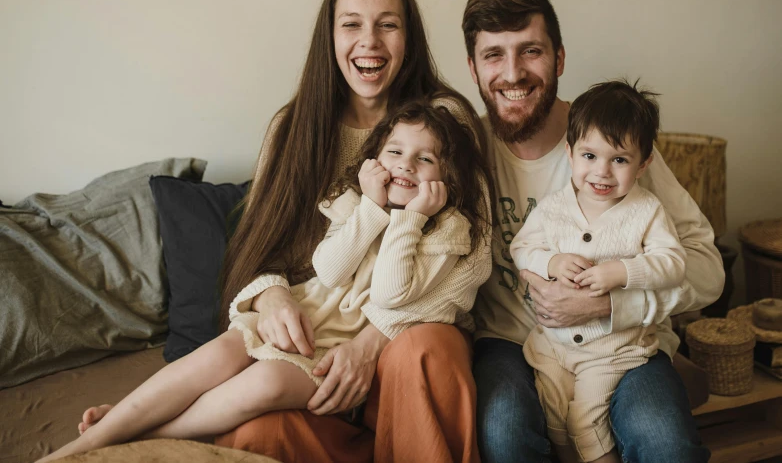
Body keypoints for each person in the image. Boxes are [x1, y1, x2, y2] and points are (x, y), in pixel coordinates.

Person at [73, 0, 493, 463]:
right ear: (330, 37)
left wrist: (372, 341)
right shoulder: (295, 128)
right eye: (352, 24)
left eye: (388, 24)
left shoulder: (446, 120)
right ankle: (118, 437)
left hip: (406, 334)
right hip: (313, 331)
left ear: (409, 36)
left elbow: (471, 261)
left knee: (423, 351)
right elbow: (259, 244)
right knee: (254, 423)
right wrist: (270, 297)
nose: (370, 41)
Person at [39, 101, 490, 463]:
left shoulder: (444, 230)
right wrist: (371, 210)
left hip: (335, 354)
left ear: (445, 178)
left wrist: (409, 219)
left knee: (266, 385)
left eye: (424, 158)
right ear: (375, 158)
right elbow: (330, 269)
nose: (405, 165)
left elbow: (393, 293)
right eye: (395, 151)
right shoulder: (356, 204)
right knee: (214, 355)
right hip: (305, 321)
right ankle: (91, 439)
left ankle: (137, 435)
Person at [462, 0, 724, 462]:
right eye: (493, 55)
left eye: (531, 51)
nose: (513, 72)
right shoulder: (464, 150)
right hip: (510, 345)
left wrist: (611, 306)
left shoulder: (614, 148)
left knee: (666, 444)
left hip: (623, 346)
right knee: (503, 432)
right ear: (474, 69)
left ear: (559, 59)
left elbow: (707, 271)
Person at [511, 80, 686, 463]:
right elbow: (521, 248)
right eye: (590, 156)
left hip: (612, 350)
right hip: (553, 345)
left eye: (619, 160)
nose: (602, 172)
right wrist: (552, 262)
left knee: (585, 422)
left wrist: (624, 272)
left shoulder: (647, 211)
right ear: (570, 154)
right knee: (552, 414)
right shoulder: (554, 207)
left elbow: (673, 263)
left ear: (643, 164)